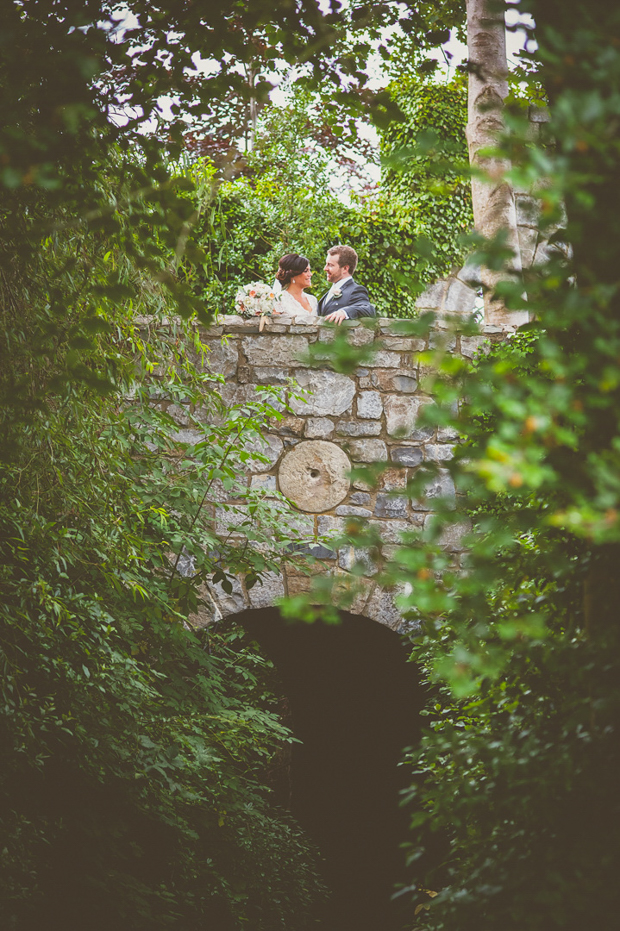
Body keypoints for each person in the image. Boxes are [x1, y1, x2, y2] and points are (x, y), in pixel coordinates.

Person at [317, 245, 376, 323]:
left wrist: (344, 312)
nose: (325, 268)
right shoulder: (330, 291)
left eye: (330, 265)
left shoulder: (355, 290)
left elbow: (368, 309)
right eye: (326, 264)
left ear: (345, 269)